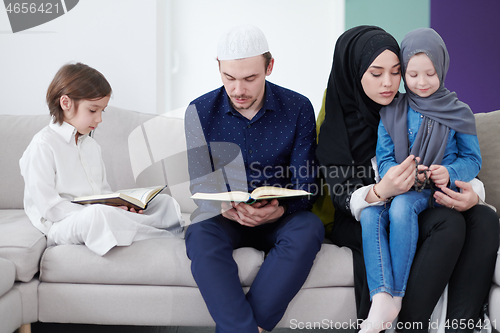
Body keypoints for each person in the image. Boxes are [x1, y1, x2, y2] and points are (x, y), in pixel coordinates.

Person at [315, 26, 498, 333]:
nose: (388, 83)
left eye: (395, 71)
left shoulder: (422, 106)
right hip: (364, 210)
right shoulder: (340, 119)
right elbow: (342, 193)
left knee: (484, 218)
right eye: (376, 73)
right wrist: (381, 189)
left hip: (430, 194)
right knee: (448, 225)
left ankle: (462, 323)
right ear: (355, 72)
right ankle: (407, 321)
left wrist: (472, 194)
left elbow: (465, 159)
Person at [184, 25, 324, 333]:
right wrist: (225, 207)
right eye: (229, 78)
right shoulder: (199, 110)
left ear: (269, 67)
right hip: (226, 216)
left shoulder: (298, 107)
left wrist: (280, 210)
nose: (238, 90)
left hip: (279, 216)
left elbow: (307, 183)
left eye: (250, 78)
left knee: (310, 227)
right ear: (218, 68)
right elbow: (201, 184)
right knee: (198, 232)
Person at [358, 27, 483, 333]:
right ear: (404, 73)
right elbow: (384, 157)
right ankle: (383, 298)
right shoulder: (392, 111)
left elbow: (472, 160)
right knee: (374, 212)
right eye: (412, 75)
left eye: (430, 73)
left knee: (400, 208)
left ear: (442, 68)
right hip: (404, 187)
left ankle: (396, 298)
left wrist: (450, 172)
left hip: (437, 192)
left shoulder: (459, 112)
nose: (422, 82)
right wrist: (398, 173)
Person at [20, 63, 184, 256]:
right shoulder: (43, 145)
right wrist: (106, 212)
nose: (99, 119)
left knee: (163, 202)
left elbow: (102, 193)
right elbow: (50, 208)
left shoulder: (91, 146)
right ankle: (162, 235)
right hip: (62, 224)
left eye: (102, 111)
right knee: (98, 216)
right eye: (92, 110)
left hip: (99, 214)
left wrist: (121, 206)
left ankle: (141, 228)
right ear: (66, 103)